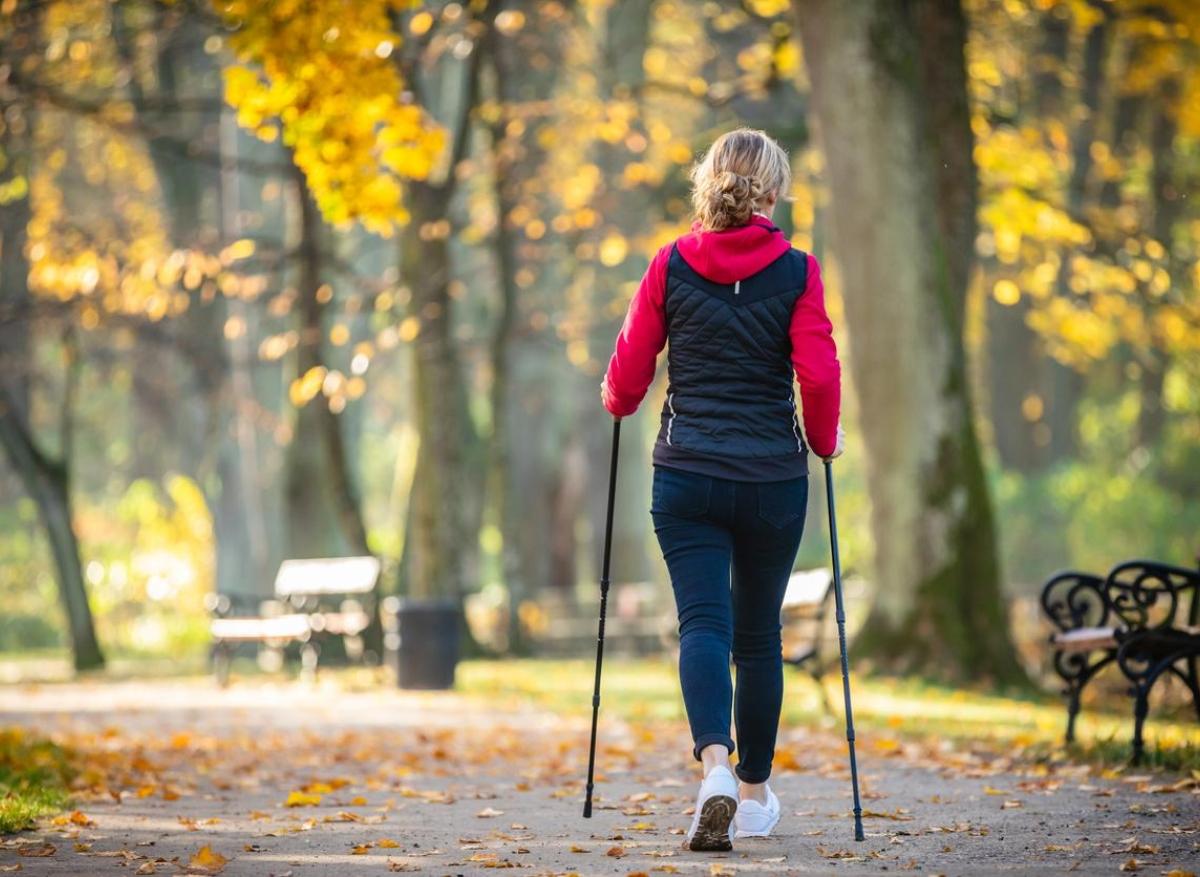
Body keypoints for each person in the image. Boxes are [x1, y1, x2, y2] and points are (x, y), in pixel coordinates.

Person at [600, 128, 844, 852]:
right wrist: (824, 441)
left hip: (688, 476)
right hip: (771, 478)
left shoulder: (670, 263)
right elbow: (821, 376)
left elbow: (630, 370)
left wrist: (617, 398)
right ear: (773, 192)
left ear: (709, 185)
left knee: (702, 623)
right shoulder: (799, 270)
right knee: (759, 634)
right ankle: (756, 790)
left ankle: (714, 766)